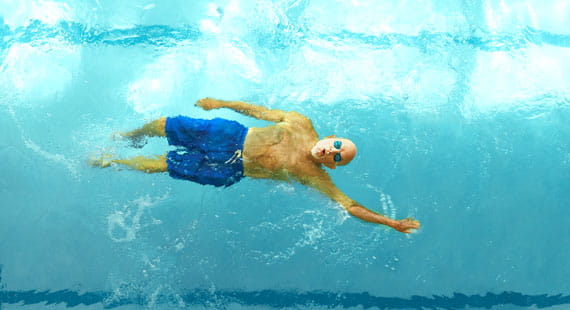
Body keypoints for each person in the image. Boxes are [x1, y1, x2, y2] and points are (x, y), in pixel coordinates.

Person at [91, 98, 420, 233]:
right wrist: (221, 102)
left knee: (165, 164)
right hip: (230, 134)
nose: (330, 152)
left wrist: (390, 223)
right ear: (331, 136)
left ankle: (112, 160)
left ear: (332, 167)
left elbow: (348, 205)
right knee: (165, 123)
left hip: (231, 169)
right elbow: (258, 112)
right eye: (336, 146)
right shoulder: (299, 122)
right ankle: (129, 135)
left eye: (337, 158)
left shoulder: (312, 175)